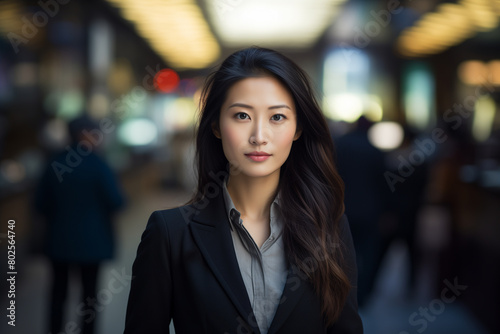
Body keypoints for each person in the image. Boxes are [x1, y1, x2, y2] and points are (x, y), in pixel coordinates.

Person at [124, 47, 363, 334]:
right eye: (241, 116)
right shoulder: (171, 233)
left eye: (277, 117)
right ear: (215, 125)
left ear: (298, 128)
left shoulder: (329, 227)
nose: (259, 137)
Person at [35, 115, 125, 334]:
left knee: (58, 293)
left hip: (59, 242)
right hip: (92, 244)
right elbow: (117, 201)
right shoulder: (99, 164)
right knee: (89, 297)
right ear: (86, 134)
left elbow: (39, 204)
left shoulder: (54, 162)